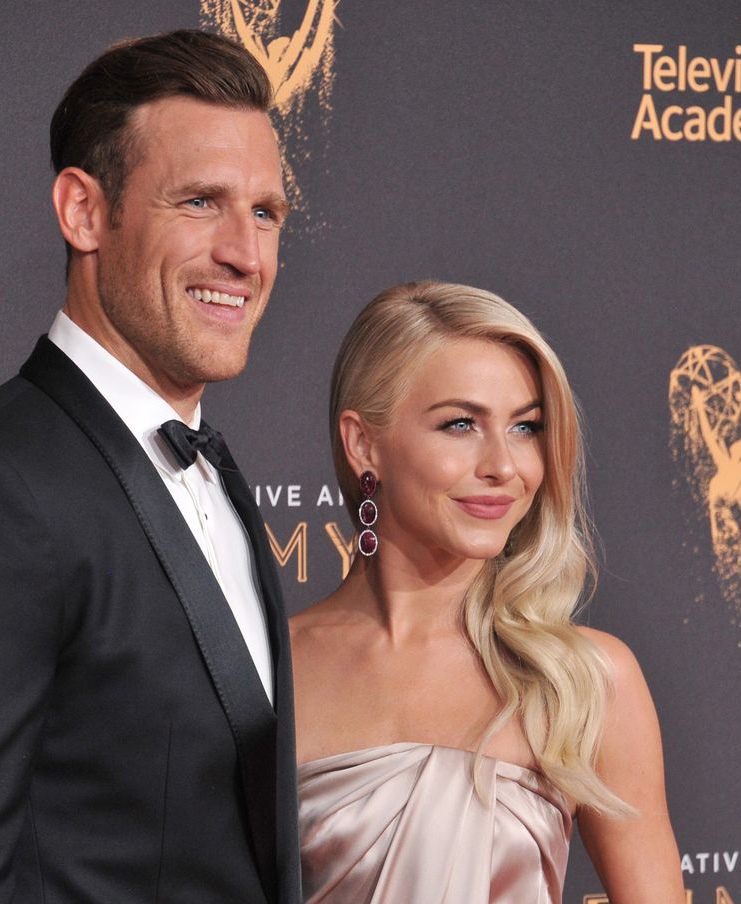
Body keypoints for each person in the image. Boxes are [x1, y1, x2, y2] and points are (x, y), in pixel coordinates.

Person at [0, 31, 301, 904]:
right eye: (201, 202)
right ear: (84, 212)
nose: (246, 254)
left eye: (267, 213)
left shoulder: (216, 471)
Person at [291, 281, 684, 902]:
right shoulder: (269, 670)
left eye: (525, 427)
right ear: (363, 443)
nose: (504, 464)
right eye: (461, 424)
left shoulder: (585, 679)